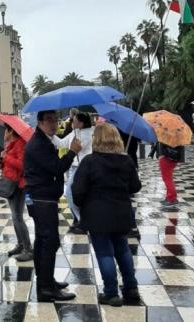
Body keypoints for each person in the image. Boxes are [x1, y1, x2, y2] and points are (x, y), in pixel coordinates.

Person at [72, 123, 142, 306]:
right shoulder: (126, 160)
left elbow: (77, 191)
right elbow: (136, 187)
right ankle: (131, 288)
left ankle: (111, 293)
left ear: (97, 139)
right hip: (121, 213)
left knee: (104, 253)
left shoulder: (89, 162)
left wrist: (81, 205)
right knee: (123, 250)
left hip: (97, 215)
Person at [24, 110, 82, 301]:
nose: (54, 124)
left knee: (44, 241)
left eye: (55, 120)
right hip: (42, 199)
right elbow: (56, 167)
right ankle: (46, 288)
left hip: (44, 197)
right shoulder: (39, 144)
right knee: (49, 242)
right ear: (39, 122)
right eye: (49, 120)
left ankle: (46, 281)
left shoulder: (44, 140)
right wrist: (72, 152)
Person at [51, 113, 94, 234]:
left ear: (81, 123)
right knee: (74, 195)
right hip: (73, 167)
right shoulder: (74, 132)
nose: (71, 123)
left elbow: (79, 147)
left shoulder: (89, 133)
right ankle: (80, 220)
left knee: (69, 193)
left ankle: (83, 221)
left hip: (82, 167)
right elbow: (61, 143)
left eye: (74, 121)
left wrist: (74, 143)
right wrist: (51, 134)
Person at [1, 125, 32, 262]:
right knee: (15, 217)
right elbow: (10, 164)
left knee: (17, 217)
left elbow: (22, 165)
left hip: (18, 185)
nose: (4, 134)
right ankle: (20, 245)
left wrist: (6, 157)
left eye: (5, 131)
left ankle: (28, 249)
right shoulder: (12, 144)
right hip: (11, 183)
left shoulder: (20, 144)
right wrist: (2, 161)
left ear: (11, 131)